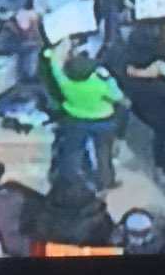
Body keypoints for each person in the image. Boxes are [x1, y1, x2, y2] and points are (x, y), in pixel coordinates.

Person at [43, 42, 125, 190]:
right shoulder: (99, 84)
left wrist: (53, 53)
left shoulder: (65, 82)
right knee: (103, 152)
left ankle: (68, 181)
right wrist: (108, 78)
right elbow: (118, 96)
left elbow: (54, 65)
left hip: (75, 119)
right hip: (103, 121)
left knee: (72, 151)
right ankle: (106, 182)